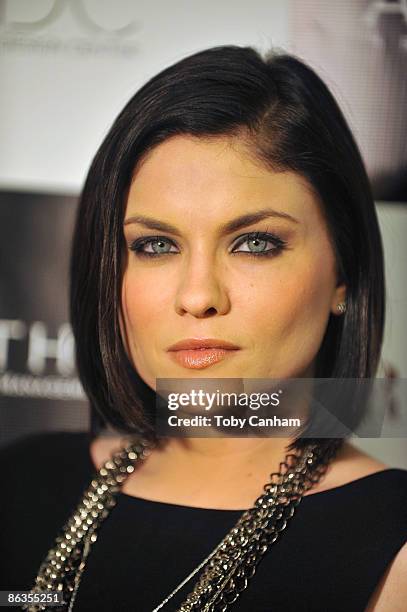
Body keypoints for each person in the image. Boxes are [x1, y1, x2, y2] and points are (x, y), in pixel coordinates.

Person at [1, 44, 406, 612]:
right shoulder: (21, 482)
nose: (197, 297)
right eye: (155, 245)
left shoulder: (395, 547)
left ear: (343, 274)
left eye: (255, 243)